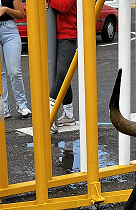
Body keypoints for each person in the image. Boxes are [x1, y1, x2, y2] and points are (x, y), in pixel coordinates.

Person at [0, 0, 30, 119]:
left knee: (14, 71)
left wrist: (5, 9)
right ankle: (3, 108)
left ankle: (22, 105)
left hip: (10, 29)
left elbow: (21, 14)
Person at [48, 0, 78, 132]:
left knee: (61, 73)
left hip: (67, 36)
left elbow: (64, 6)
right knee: (62, 76)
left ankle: (50, 112)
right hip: (51, 35)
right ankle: (69, 115)